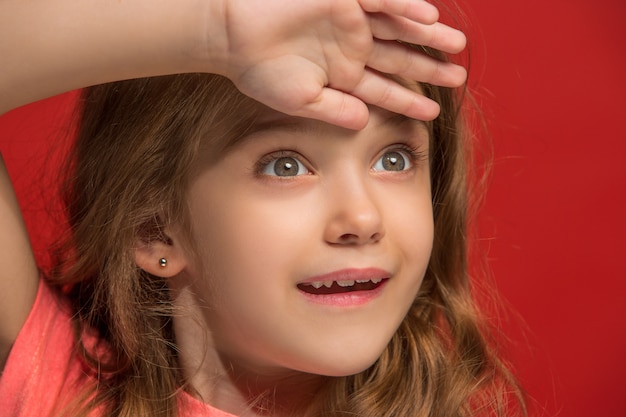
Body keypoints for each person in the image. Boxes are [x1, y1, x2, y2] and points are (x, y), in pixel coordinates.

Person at [0, 0, 526, 416]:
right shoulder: (56, 392)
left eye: (393, 158)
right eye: (286, 166)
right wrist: (217, 32)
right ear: (153, 227)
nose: (363, 220)